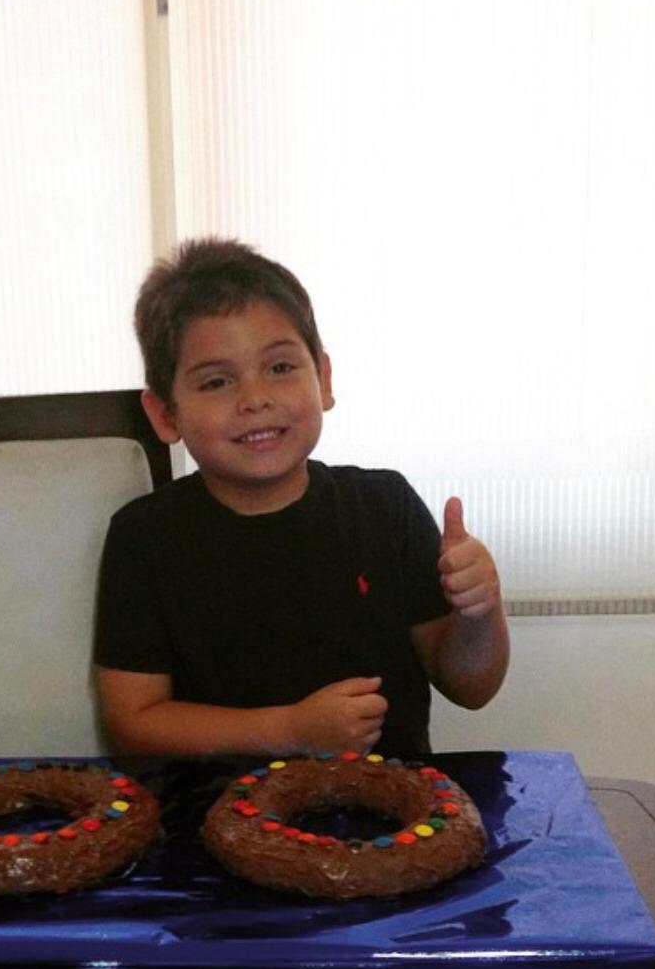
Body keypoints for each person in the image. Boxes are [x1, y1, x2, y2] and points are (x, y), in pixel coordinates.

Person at [94, 237, 509, 757]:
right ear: (165, 415)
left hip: (393, 821)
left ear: (324, 378)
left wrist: (480, 612)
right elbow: (133, 720)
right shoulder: (145, 537)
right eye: (217, 381)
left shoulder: (385, 507)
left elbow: (471, 687)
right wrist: (290, 730)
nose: (255, 399)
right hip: (210, 817)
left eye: (281, 367)